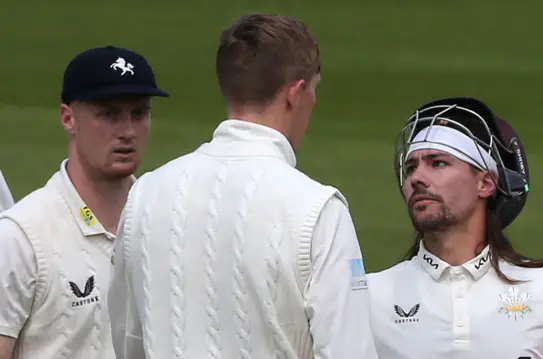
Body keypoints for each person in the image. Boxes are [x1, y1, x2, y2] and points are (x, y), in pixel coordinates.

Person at [108, 13, 378, 359]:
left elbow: (129, 342)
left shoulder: (145, 195)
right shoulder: (319, 210)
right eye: (314, 88)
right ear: (295, 93)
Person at [367, 97, 543, 359]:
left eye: (438, 163)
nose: (416, 178)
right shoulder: (369, 297)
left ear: (485, 183)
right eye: (411, 167)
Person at [0, 45, 168, 359]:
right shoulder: (20, 238)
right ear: (68, 118)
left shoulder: (167, 222)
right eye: (109, 114)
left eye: (139, 113)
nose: (127, 131)